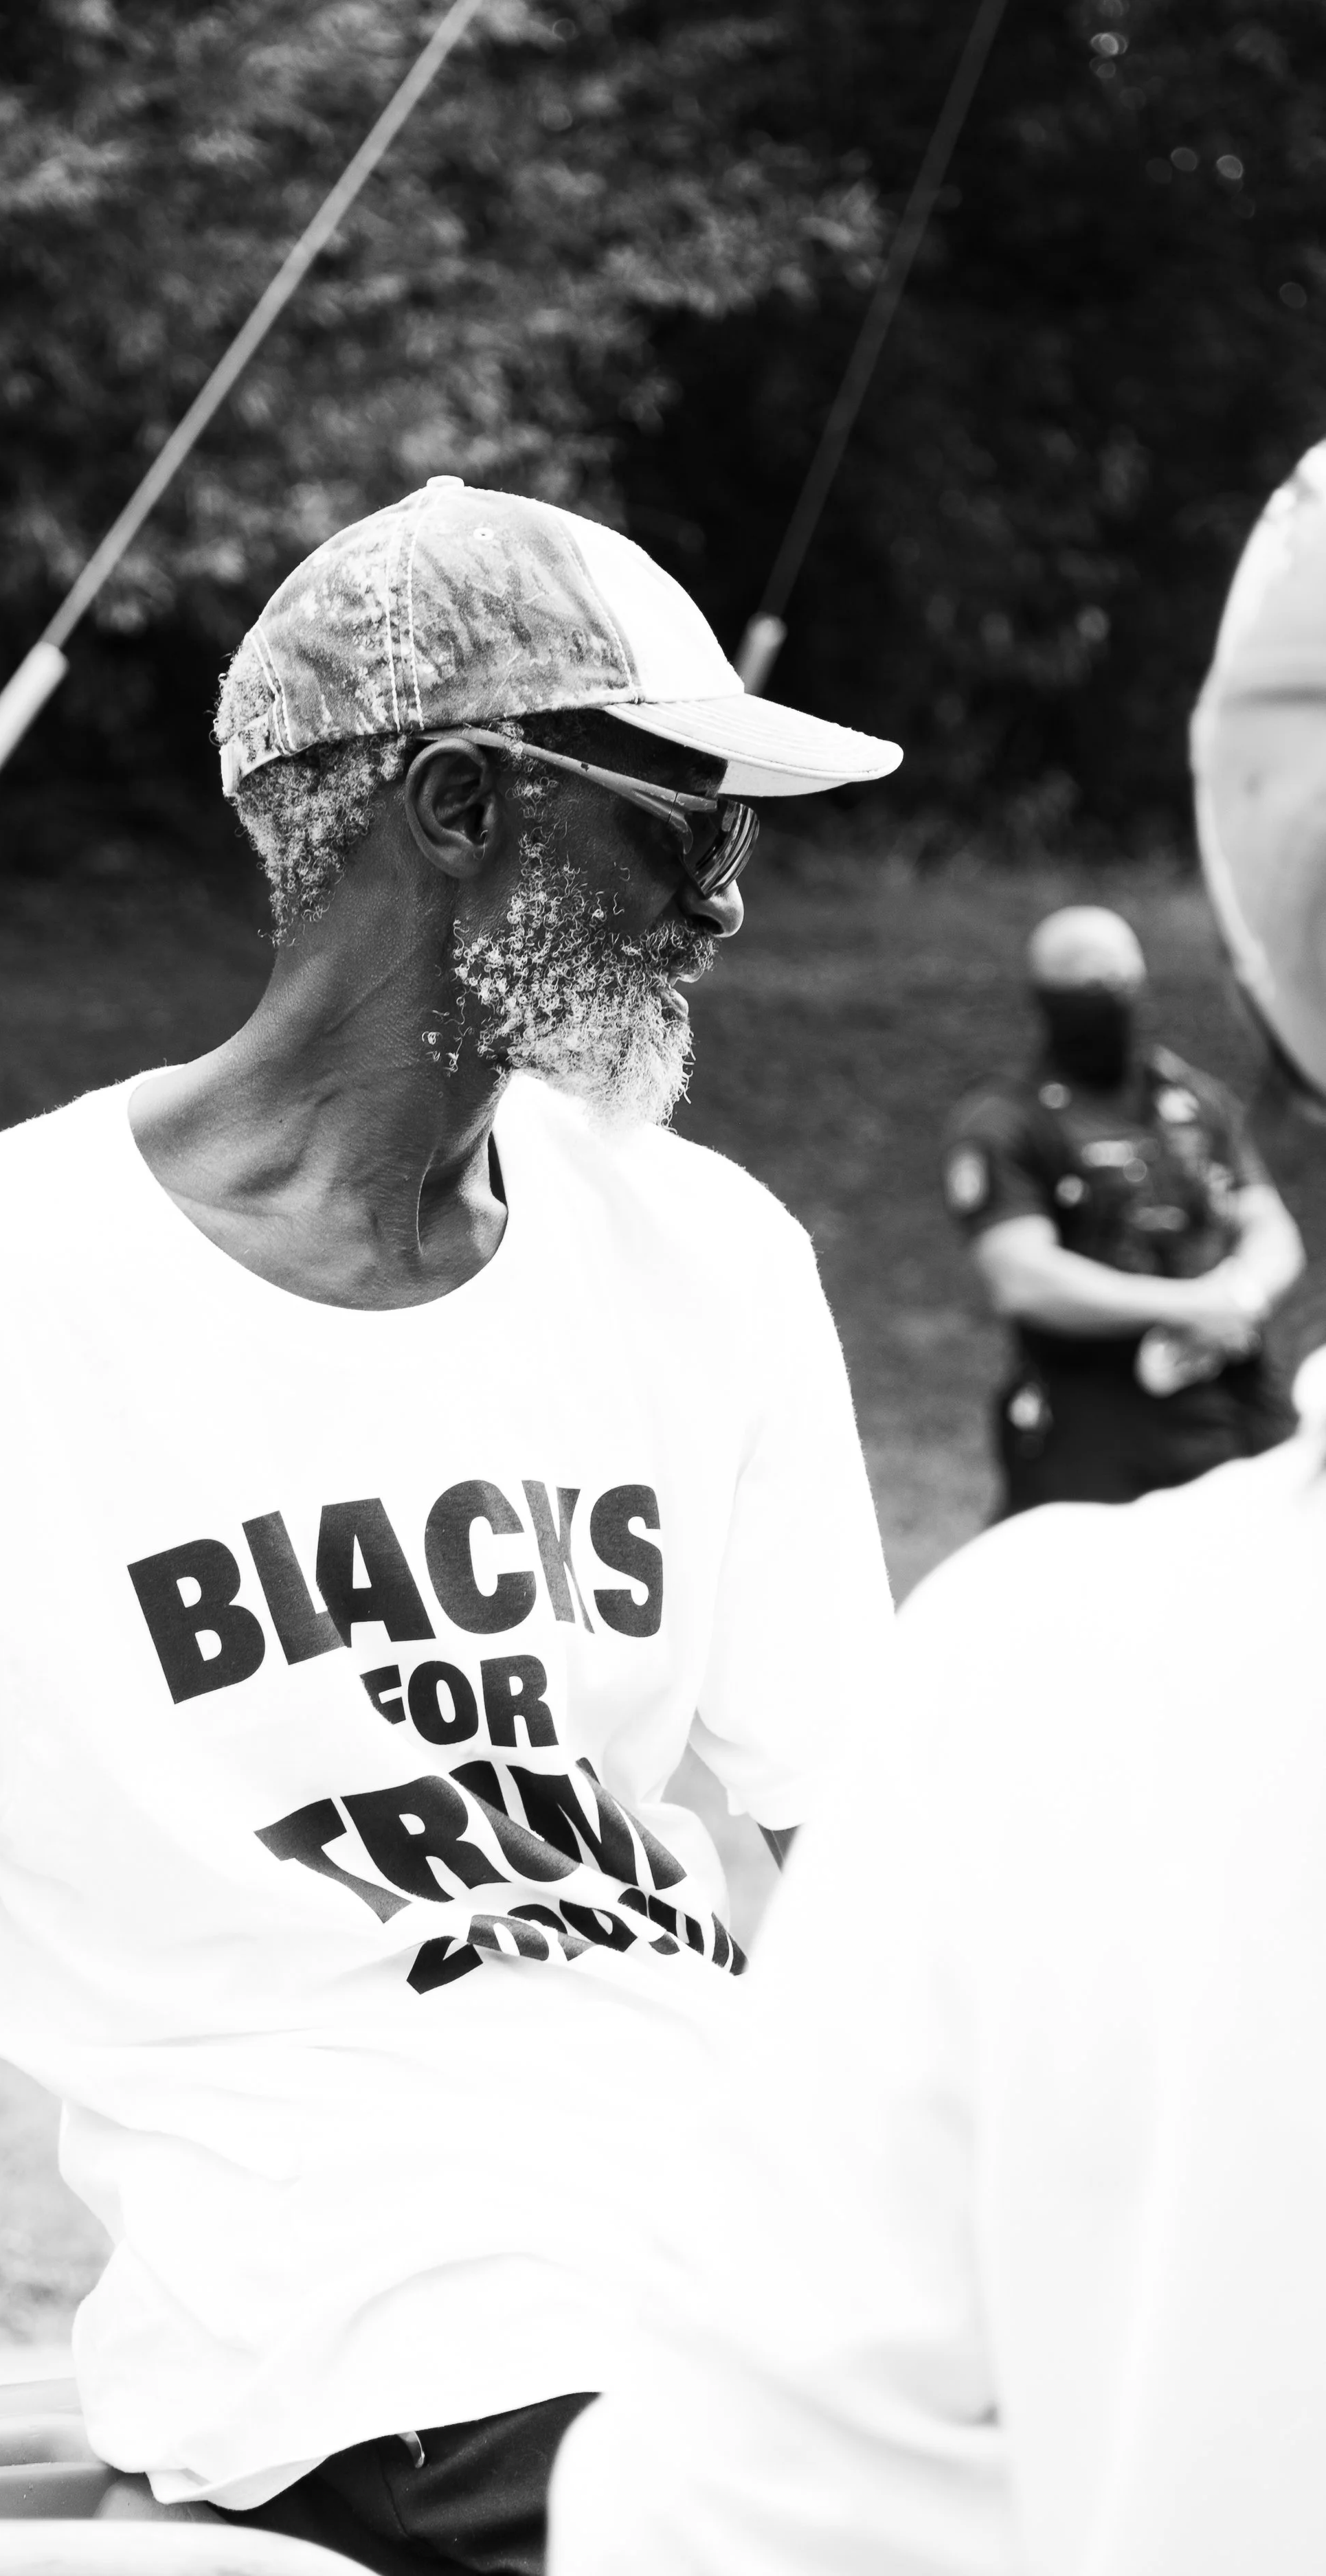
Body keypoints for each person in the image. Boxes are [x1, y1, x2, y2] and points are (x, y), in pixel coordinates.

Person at [0, 478, 900, 2573]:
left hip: (772, 2265)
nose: (726, 905)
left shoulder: (709, 1256)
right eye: (677, 820)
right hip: (396, 2329)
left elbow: (864, 1864)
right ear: (463, 805)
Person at [548, 443, 1326, 2575]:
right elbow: (1013, 1275)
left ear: (1258, 978)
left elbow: (736, 2520)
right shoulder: (1042, 1666)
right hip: (1098, 1452)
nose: (710, 897)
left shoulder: (1062, 1698)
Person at [941, 902, 1303, 1514]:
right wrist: (1195, 1306)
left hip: (1230, 1402)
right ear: (1044, 994)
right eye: (1084, 984)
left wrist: (1240, 1297)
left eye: (1116, 979)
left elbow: (1270, 1224)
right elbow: (1023, 1277)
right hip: (1092, 1419)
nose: (1105, 996)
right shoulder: (1008, 1123)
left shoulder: (1192, 1099)